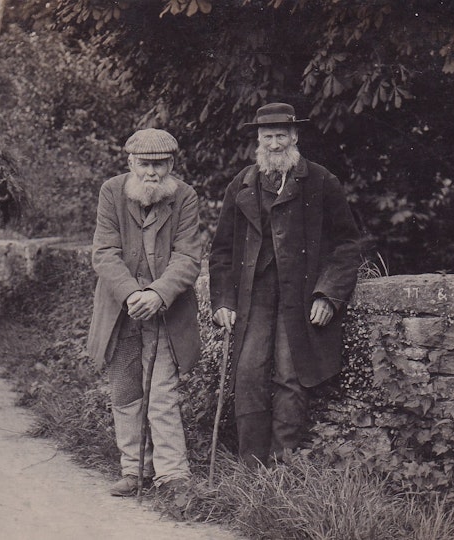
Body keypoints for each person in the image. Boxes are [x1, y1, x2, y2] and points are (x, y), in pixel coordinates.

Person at [209, 102, 361, 468]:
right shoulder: (242, 184)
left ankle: (282, 468)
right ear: (258, 140)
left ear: (295, 136)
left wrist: (329, 294)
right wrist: (222, 302)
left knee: (290, 374)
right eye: (267, 137)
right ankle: (251, 467)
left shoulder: (321, 181)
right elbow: (222, 252)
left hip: (301, 293)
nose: (274, 144)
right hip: (254, 294)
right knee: (247, 372)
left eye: (280, 135)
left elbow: (348, 245)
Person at [87, 128, 202, 497]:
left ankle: (172, 475)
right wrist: (133, 295)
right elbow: (104, 252)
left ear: (171, 164)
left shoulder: (185, 197)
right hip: (123, 311)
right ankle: (133, 469)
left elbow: (188, 257)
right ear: (130, 163)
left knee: (162, 391)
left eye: (160, 164)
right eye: (145, 164)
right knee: (125, 389)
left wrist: (158, 293)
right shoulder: (111, 192)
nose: (152, 173)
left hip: (168, 312)